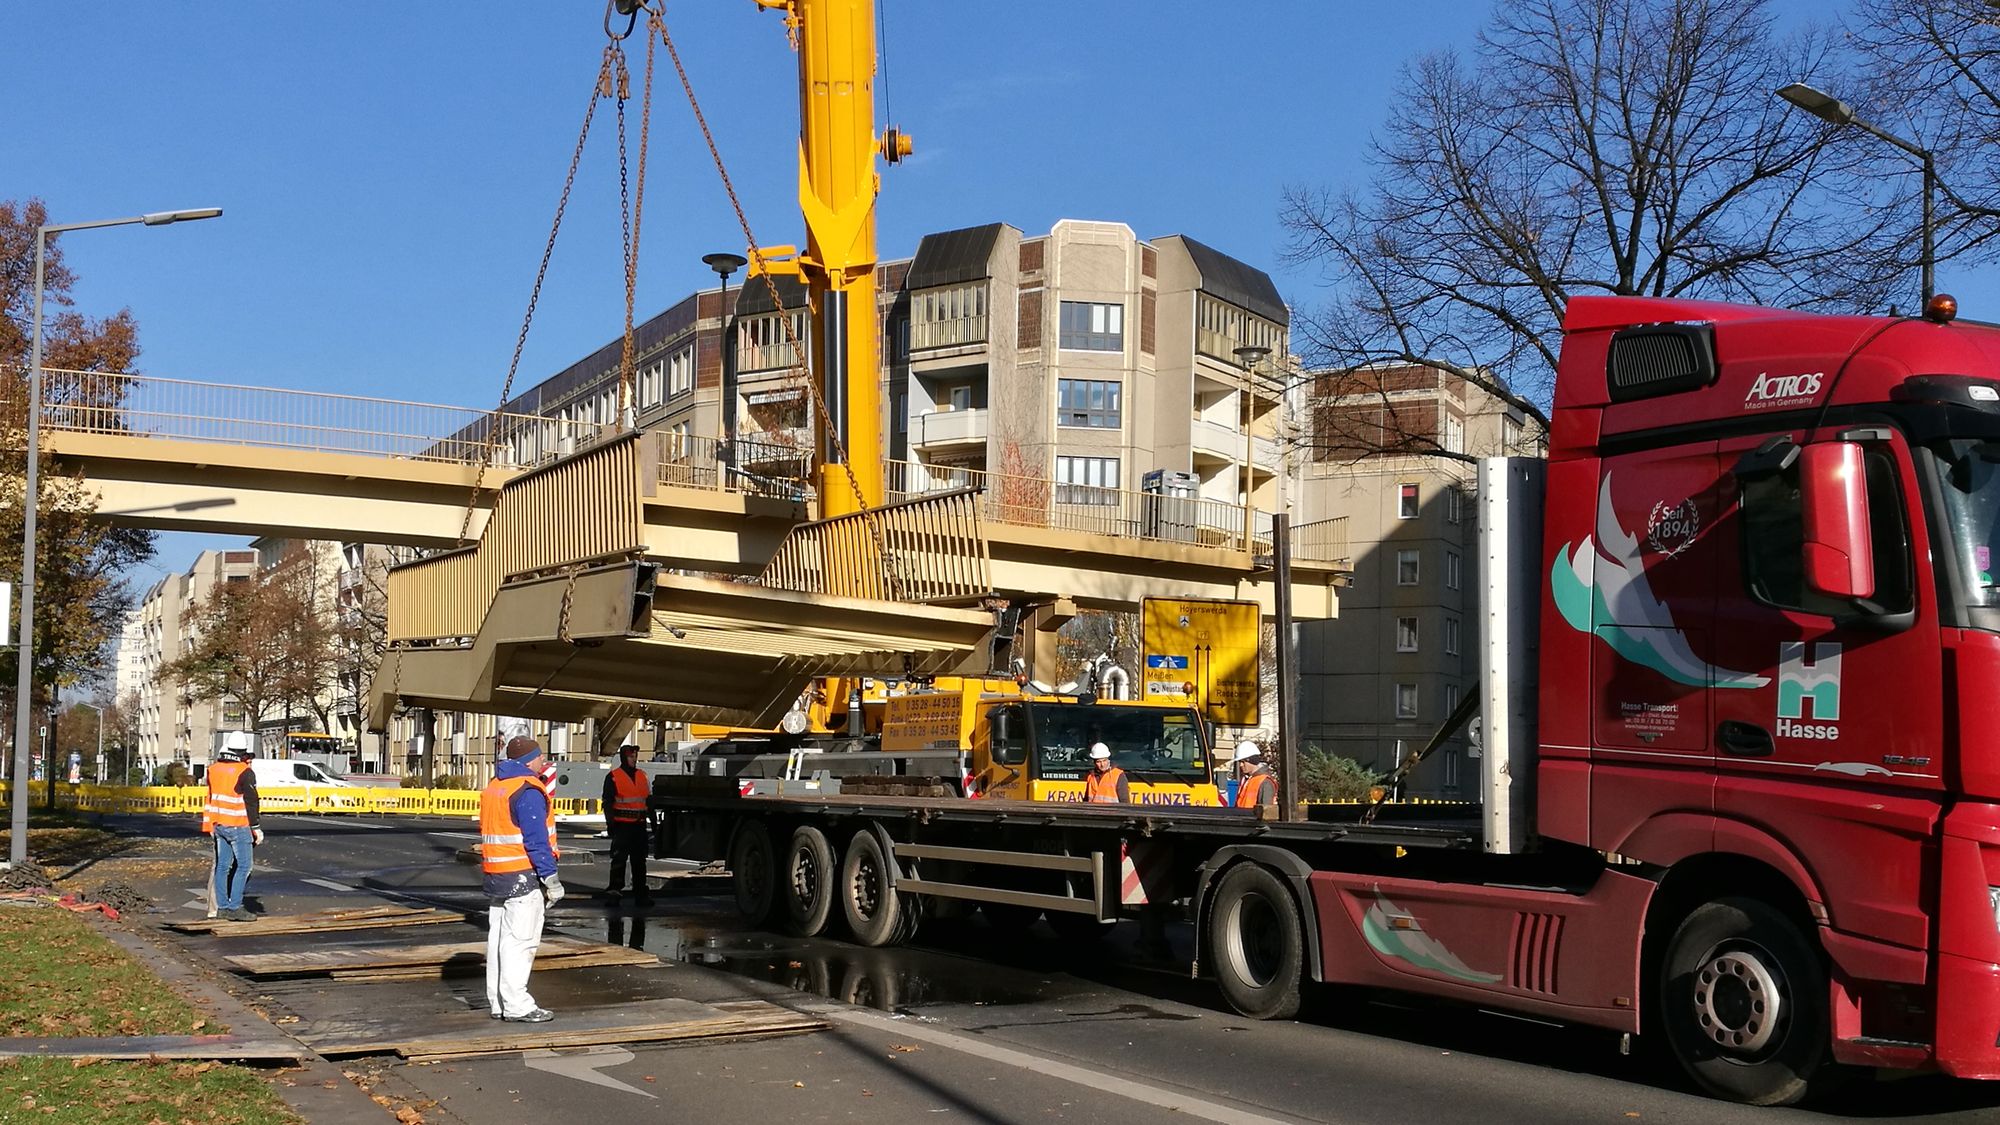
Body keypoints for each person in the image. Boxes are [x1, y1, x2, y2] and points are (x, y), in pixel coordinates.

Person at [481, 735, 563, 1023]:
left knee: (499, 940)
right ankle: (518, 1005)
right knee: (521, 941)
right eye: (541, 757)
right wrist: (550, 879)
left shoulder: (496, 786)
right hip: (522, 875)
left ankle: (499, 1002)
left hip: (497, 874)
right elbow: (536, 840)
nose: (544, 761)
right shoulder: (527, 790)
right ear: (531, 760)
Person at [202, 732, 264, 922]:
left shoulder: (213, 769)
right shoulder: (244, 771)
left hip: (220, 825)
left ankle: (222, 907)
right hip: (239, 825)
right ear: (243, 752)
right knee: (244, 866)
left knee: (222, 867)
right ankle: (235, 906)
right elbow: (251, 801)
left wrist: (211, 824)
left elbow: (212, 797)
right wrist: (256, 828)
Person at [601, 741, 652, 905]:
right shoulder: (614, 777)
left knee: (639, 861)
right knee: (619, 859)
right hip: (622, 825)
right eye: (631, 756)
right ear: (624, 758)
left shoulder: (642, 775)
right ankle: (614, 891)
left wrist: (655, 823)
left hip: (639, 825)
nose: (634, 759)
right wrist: (610, 824)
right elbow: (607, 802)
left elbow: (648, 801)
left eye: (635, 756)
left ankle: (640, 892)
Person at [1232, 740, 1278, 810]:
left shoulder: (1265, 782)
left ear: (1251, 760)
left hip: (1252, 819)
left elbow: (1266, 812)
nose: (1241, 765)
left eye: (1243, 762)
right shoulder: (1246, 780)